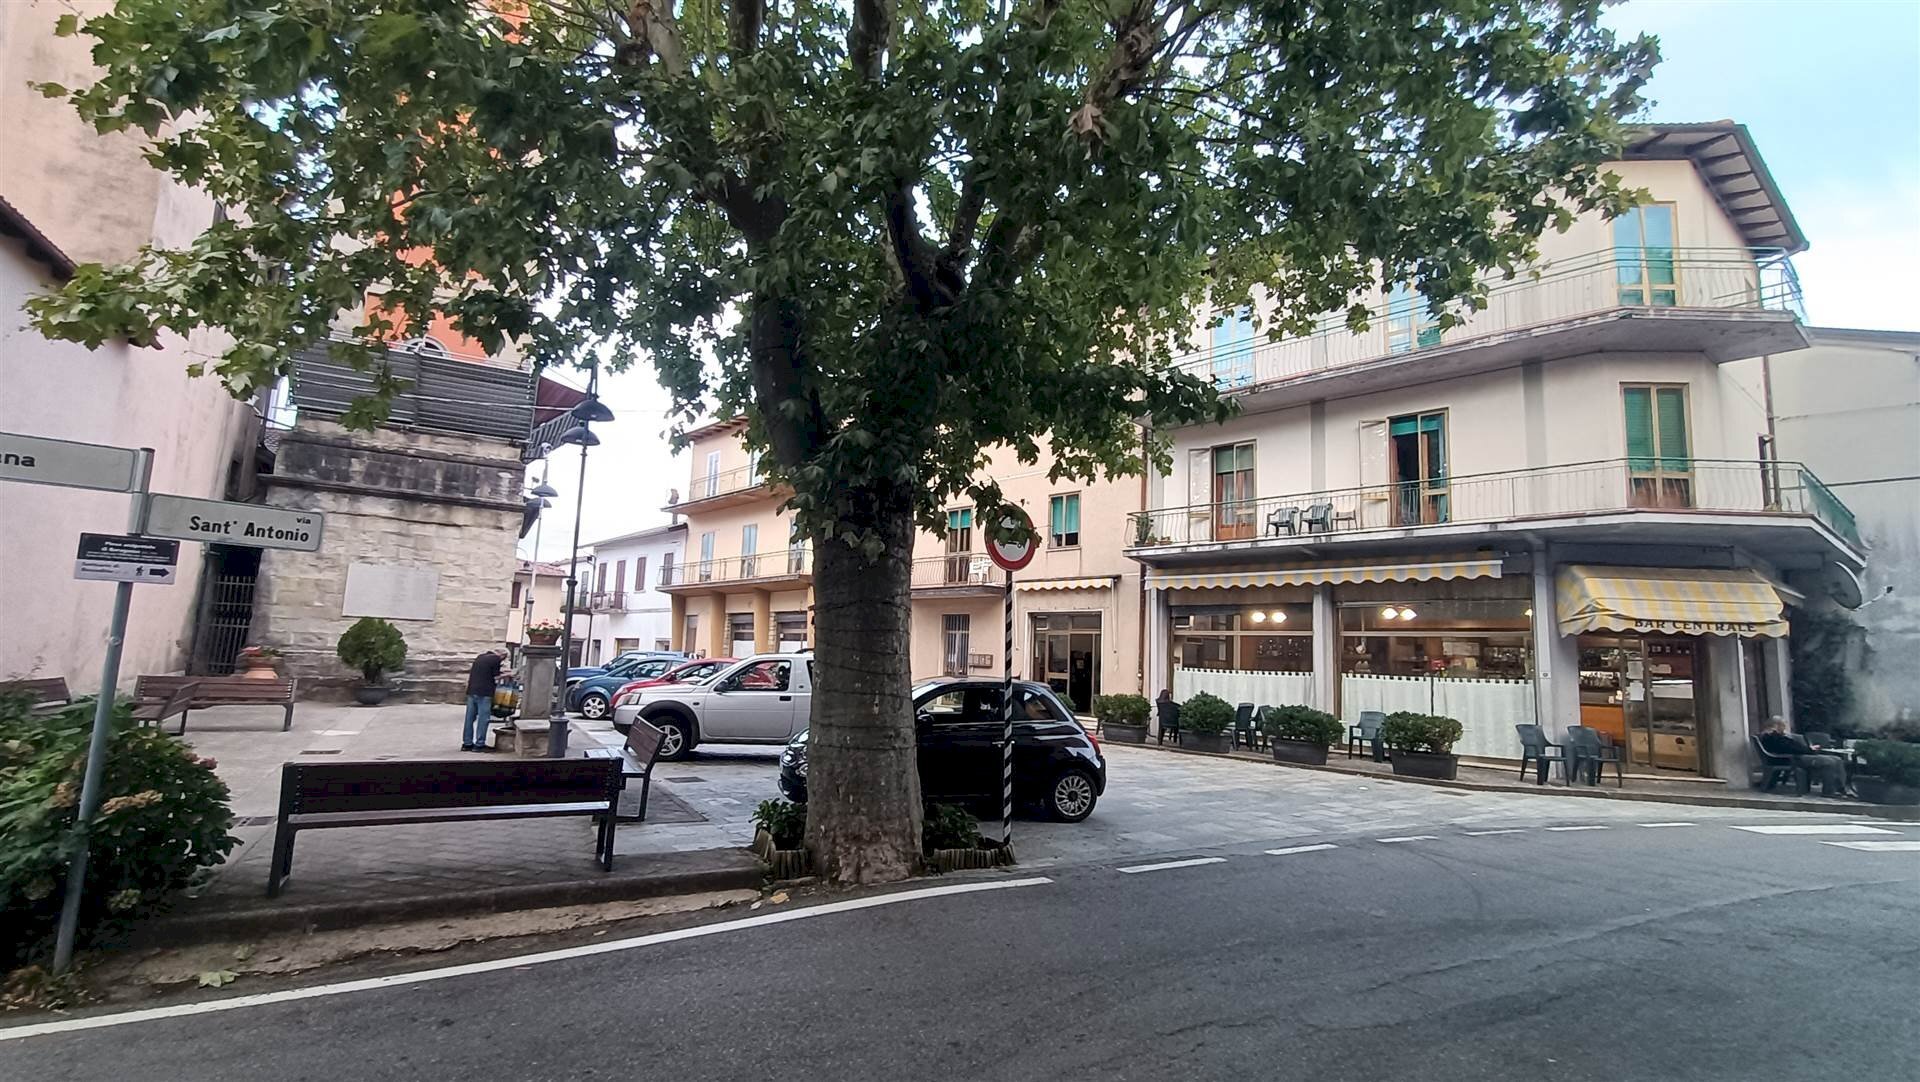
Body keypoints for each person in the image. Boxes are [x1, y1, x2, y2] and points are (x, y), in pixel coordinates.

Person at [1759, 718, 1849, 797]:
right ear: (1776, 725)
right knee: (1829, 762)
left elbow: (1793, 746)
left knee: (1837, 759)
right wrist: (1809, 750)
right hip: (1793, 758)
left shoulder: (1779, 736)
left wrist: (1808, 749)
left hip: (1799, 755)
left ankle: (1840, 788)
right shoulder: (1772, 736)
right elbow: (1789, 748)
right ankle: (1829, 791)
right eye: (1783, 725)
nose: (1785, 728)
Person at [463, 646, 508, 751]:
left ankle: (467, 743)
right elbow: (495, 677)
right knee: (483, 719)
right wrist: (508, 674)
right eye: (504, 659)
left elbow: (486, 672)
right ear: (502, 655)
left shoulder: (480, 657)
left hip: (472, 690)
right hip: (485, 692)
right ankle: (479, 744)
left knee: (469, 718)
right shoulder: (496, 659)